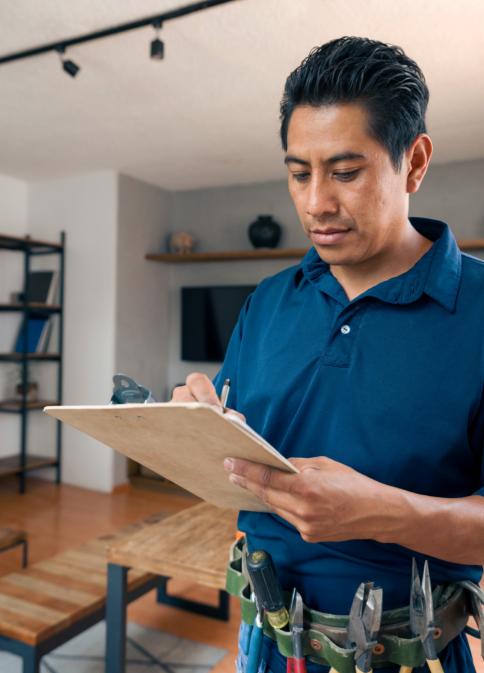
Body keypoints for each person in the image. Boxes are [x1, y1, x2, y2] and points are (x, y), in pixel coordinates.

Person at [172, 37, 484, 673]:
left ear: (415, 162)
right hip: (265, 642)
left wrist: (382, 512)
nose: (316, 203)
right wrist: (195, 433)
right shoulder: (265, 303)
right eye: (298, 173)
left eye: (345, 172)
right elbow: (245, 452)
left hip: (407, 652)